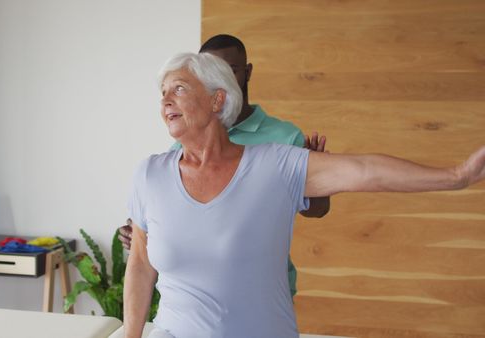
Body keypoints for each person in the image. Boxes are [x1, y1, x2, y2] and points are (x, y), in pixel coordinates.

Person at [123, 52, 485, 338]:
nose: (166, 100)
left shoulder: (274, 165)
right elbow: (140, 263)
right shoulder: (150, 175)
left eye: (179, 89)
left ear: (218, 100)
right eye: (163, 93)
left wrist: (457, 176)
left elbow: (363, 170)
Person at [118, 34, 329, 298]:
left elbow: (317, 209)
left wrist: (315, 180)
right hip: (201, 297)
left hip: (265, 293)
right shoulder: (179, 150)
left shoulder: (285, 138)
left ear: (248, 72)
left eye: (230, 70)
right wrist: (141, 234)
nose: (221, 78)